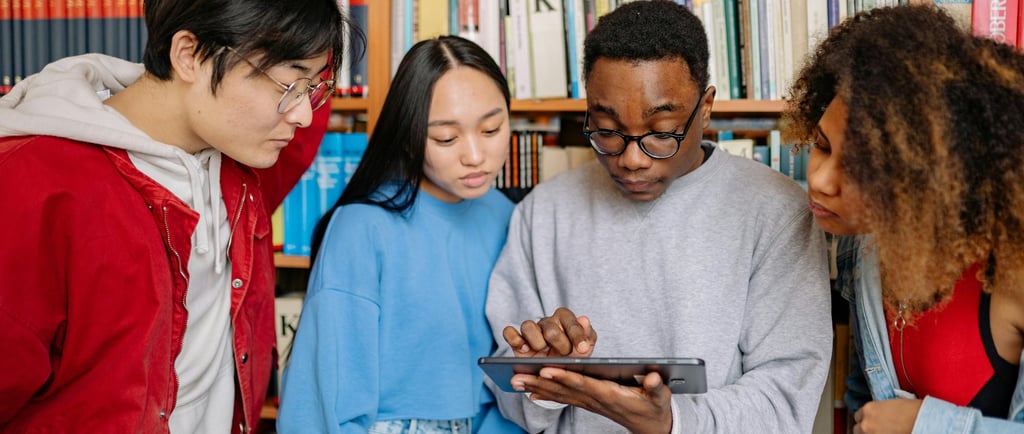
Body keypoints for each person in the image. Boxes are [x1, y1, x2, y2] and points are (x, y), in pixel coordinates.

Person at [0, 0, 354, 432]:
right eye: (288, 87)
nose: (302, 114)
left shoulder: (246, 163)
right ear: (189, 55)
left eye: (311, 89)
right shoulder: (29, 186)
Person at [483, 1, 833, 433]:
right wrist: (539, 377)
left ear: (705, 108)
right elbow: (505, 383)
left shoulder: (775, 211)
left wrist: (672, 422)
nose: (631, 159)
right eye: (607, 130)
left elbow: (786, 399)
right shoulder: (543, 211)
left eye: (662, 133)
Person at [784, 5, 1024, 434]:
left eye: (859, 168)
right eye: (821, 146)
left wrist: (925, 425)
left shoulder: (1013, 271)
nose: (819, 181)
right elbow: (864, 399)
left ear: (928, 177)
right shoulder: (864, 245)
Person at [277, 35, 524, 434]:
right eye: (446, 138)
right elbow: (321, 400)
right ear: (409, 134)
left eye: (492, 129)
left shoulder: (509, 217)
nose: (475, 156)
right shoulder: (362, 227)